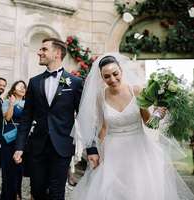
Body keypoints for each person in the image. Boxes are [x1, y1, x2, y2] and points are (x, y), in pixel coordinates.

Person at [71, 53, 194, 200]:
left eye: (115, 74)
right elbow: (102, 127)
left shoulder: (137, 91)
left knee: (139, 191)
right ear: (102, 77)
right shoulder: (100, 96)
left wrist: (157, 115)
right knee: (113, 192)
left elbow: (147, 122)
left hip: (138, 150)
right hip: (113, 152)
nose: (112, 79)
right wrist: (97, 152)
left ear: (121, 71)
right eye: (107, 76)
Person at [13, 37, 85, 200]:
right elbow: (26, 118)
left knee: (56, 192)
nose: (39, 52)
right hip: (37, 146)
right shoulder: (34, 82)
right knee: (37, 191)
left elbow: (83, 117)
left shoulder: (74, 82)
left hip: (62, 147)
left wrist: (92, 149)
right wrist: (19, 146)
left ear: (57, 53)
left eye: (44, 49)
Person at [1, 80, 27, 200]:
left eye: (24, 87)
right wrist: (11, 104)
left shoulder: (28, 103)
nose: (22, 88)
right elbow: (7, 117)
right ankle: (7, 196)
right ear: (14, 89)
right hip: (9, 138)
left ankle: (17, 195)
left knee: (19, 169)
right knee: (8, 168)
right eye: (20, 86)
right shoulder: (7, 101)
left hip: (22, 139)